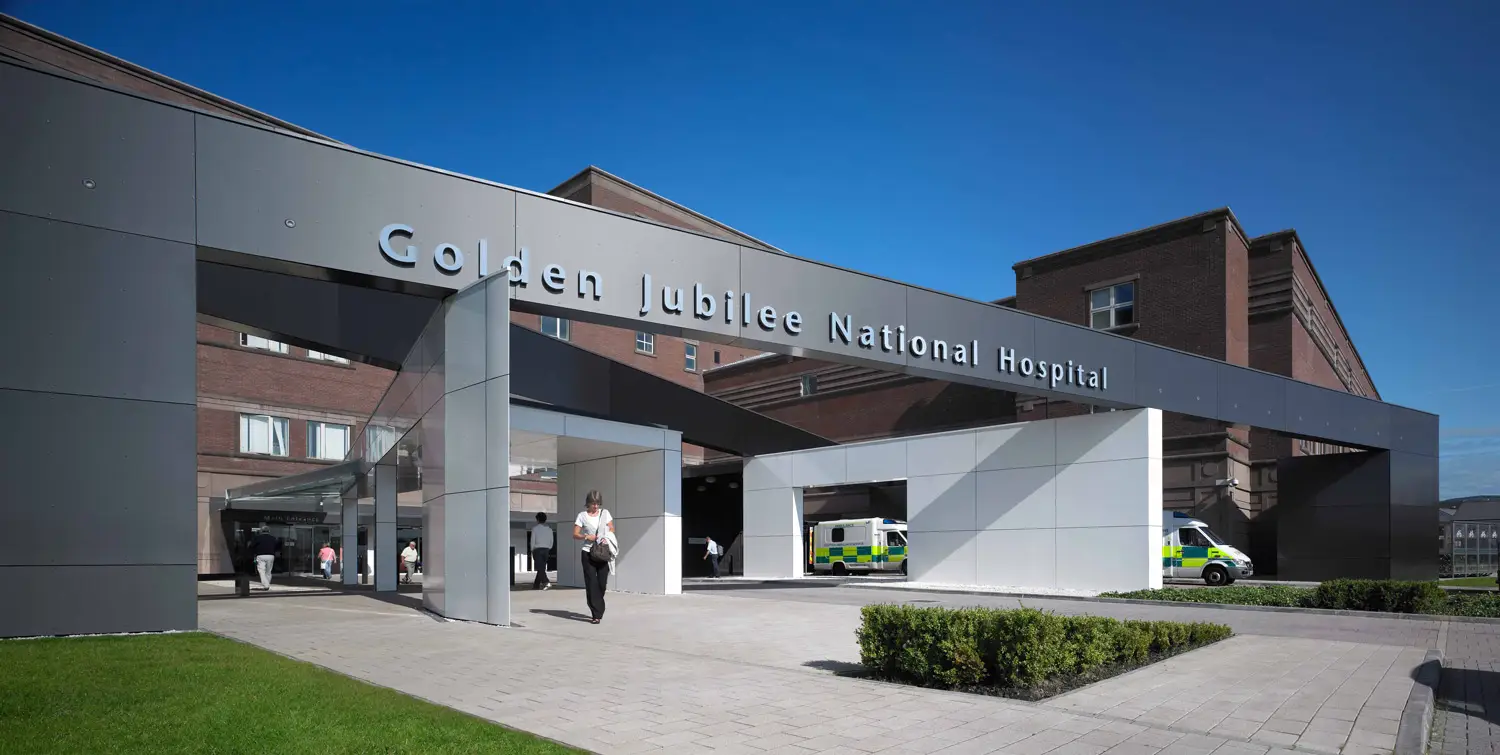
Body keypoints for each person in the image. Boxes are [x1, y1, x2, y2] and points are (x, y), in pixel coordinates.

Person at [572, 490, 615, 624]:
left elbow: (612, 528)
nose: (596, 506)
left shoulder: (605, 513)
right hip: (588, 552)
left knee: (602, 584)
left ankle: (597, 606)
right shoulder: (582, 516)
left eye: (597, 503)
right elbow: (575, 534)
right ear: (588, 503)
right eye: (593, 503)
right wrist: (586, 536)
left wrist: (606, 536)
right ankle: (596, 614)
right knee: (591, 583)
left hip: (602, 552)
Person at [249, 527, 279, 591]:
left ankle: (266, 585)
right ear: (269, 531)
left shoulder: (258, 538)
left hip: (260, 555)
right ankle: (267, 584)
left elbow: (252, 546)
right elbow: (277, 547)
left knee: (261, 570)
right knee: (268, 571)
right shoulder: (273, 538)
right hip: (270, 555)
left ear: (261, 531)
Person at [531, 512, 555, 591]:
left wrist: (532, 549)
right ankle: (536, 585)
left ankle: (546, 582)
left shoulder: (535, 529)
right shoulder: (549, 530)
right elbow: (551, 541)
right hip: (546, 550)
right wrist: (549, 547)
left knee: (540, 568)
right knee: (541, 567)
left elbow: (533, 540)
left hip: (537, 550)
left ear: (537, 519)